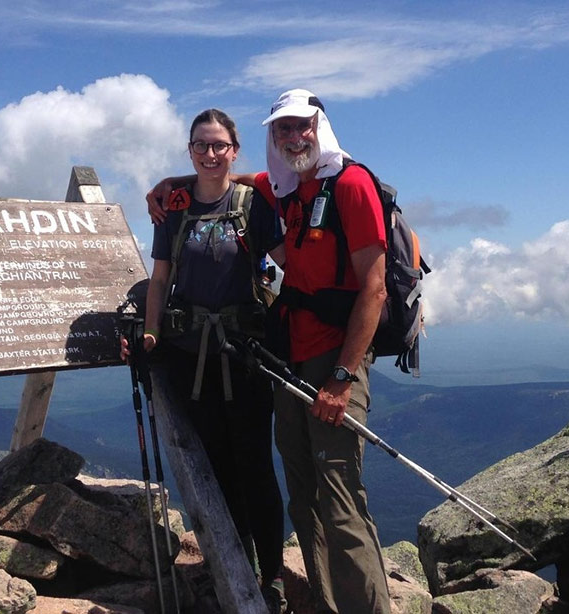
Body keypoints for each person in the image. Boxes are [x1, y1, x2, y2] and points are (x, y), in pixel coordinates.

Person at [147, 90, 390, 613]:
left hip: (334, 359)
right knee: (303, 496)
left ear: (319, 127)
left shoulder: (351, 184)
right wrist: (170, 185)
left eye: (302, 126)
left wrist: (344, 377)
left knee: (340, 500)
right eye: (282, 130)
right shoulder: (283, 188)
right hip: (289, 356)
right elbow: (222, 181)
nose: (292, 137)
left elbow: (375, 289)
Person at [125, 108, 287, 611]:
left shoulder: (254, 203)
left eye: (219, 145)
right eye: (201, 145)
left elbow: (290, 268)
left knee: (255, 464)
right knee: (219, 466)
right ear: (189, 151)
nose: (211, 153)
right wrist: (151, 334)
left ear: (234, 151)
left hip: (245, 356)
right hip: (191, 355)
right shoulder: (173, 205)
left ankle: (273, 575)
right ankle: (240, 568)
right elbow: (159, 278)